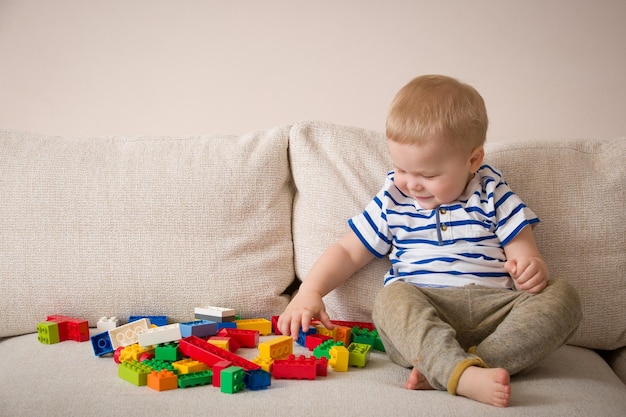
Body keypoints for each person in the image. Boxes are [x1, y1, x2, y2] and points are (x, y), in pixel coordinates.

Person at [277, 74, 581, 407]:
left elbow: (524, 250)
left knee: (563, 296)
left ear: (472, 160)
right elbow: (348, 251)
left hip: (495, 313)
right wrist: (310, 291)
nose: (412, 183)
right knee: (391, 299)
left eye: (429, 175)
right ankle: (455, 369)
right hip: (423, 310)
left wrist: (531, 267)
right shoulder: (393, 199)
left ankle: (451, 368)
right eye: (402, 169)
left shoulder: (492, 192)